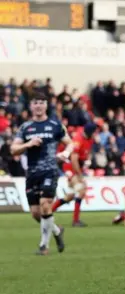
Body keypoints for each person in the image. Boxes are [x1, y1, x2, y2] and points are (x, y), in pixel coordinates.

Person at [10, 92, 73, 255]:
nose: (38, 105)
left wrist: (65, 153)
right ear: (31, 106)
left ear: (46, 105)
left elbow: (70, 143)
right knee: (36, 213)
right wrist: (28, 144)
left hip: (50, 170)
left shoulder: (55, 125)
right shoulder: (25, 128)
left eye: (41, 102)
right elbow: (13, 150)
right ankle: (57, 231)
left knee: (46, 205)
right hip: (32, 173)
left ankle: (44, 246)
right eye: (35, 103)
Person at [52, 122, 97, 227]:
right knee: (81, 190)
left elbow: (88, 151)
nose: (96, 134)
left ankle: (48, 212)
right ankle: (75, 221)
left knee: (70, 196)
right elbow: (73, 160)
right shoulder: (78, 140)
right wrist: (80, 176)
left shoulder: (90, 139)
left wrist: (87, 159)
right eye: (95, 132)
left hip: (77, 167)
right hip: (70, 167)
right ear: (91, 132)